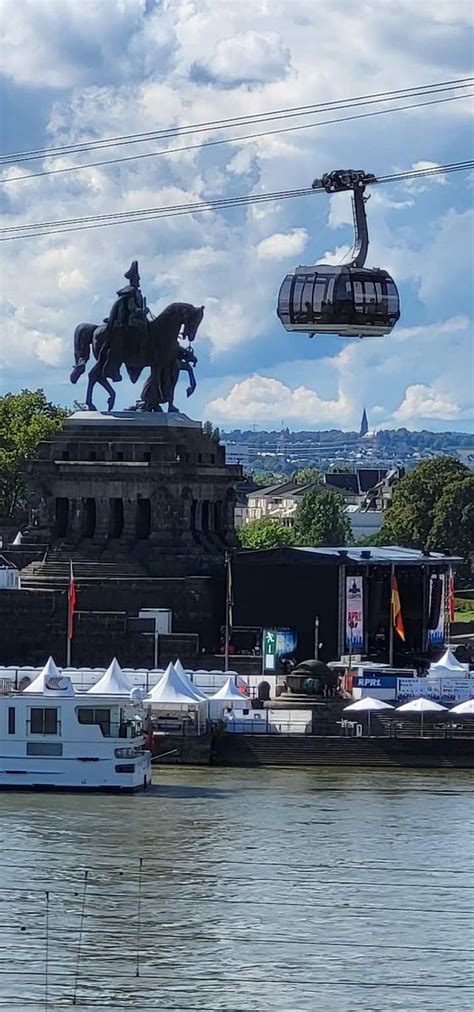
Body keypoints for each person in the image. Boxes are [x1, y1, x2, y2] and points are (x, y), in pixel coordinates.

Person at [102, 261, 150, 378]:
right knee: (142, 334)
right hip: (131, 321)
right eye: (137, 279)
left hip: (138, 320)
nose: (138, 281)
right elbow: (131, 307)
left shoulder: (137, 292)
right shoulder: (130, 292)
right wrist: (142, 311)